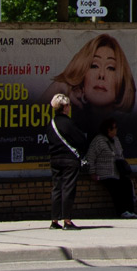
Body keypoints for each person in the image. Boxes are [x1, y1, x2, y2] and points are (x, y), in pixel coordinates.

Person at [44, 34, 137, 163]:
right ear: (81, 72)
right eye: (94, 66)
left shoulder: (128, 123)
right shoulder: (74, 118)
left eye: (111, 68)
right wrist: (58, 86)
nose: (101, 75)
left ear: (121, 79)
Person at [46, 93, 88, 230]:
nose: (70, 107)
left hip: (55, 159)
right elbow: (81, 139)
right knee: (68, 189)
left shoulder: (51, 123)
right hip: (69, 160)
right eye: (68, 105)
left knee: (56, 188)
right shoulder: (68, 123)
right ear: (64, 107)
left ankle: (54, 220)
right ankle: (67, 221)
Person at [86, 118, 137, 218]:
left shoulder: (116, 140)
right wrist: (92, 172)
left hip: (117, 172)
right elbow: (90, 157)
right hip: (104, 173)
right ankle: (121, 211)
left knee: (127, 183)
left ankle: (130, 210)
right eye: (115, 128)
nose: (116, 130)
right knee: (116, 187)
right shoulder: (99, 140)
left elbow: (120, 154)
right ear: (109, 129)